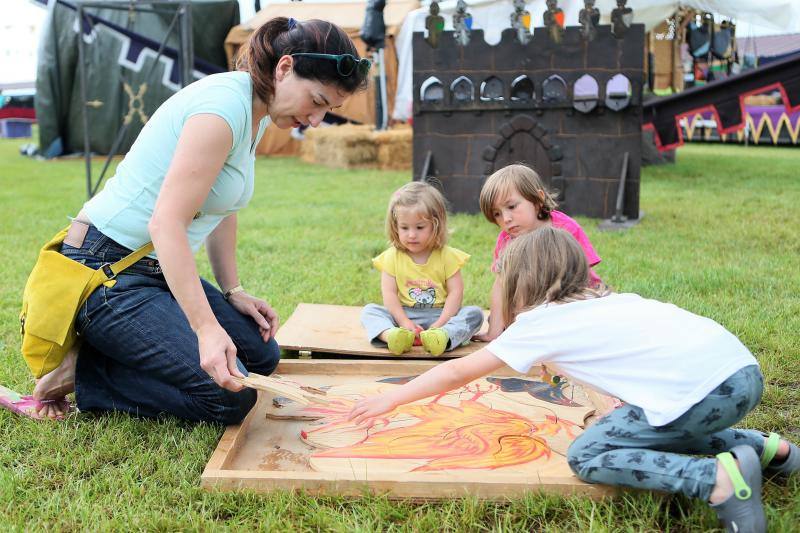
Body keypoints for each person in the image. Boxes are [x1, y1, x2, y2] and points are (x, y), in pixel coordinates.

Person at [349, 227, 798, 533]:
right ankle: (768, 449)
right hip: (740, 372)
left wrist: (391, 401)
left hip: (700, 396)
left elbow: (457, 370)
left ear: (520, 282)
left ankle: (716, 479)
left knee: (588, 453)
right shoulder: (603, 300)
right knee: (650, 429)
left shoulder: (539, 324)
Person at [31, 17, 370, 422]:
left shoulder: (258, 111)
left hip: (155, 271)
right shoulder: (222, 108)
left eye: (327, 110)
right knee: (231, 396)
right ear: (284, 68)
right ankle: (86, 372)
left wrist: (233, 290)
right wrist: (207, 330)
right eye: (316, 102)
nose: (316, 120)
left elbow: (219, 206)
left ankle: (127, 349)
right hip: (106, 272)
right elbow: (165, 224)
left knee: (260, 355)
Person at [475, 163, 601, 342]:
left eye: (511, 206)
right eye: (497, 214)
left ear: (537, 199)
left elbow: (582, 275)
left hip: (572, 297)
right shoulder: (506, 240)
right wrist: (494, 331)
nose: (506, 219)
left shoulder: (565, 228)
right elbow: (501, 285)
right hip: (533, 305)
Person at [360, 182, 484, 356]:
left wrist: (441, 323)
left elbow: (456, 293)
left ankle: (441, 337)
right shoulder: (391, 257)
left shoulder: (447, 256)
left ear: (436, 224)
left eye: (419, 227)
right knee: (370, 311)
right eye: (404, 227)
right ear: (395, 226)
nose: (411, 234)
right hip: (403, 315)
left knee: (474, 314)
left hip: (441, 316)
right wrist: (403, 322)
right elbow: (389, 294)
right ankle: (393, 336)